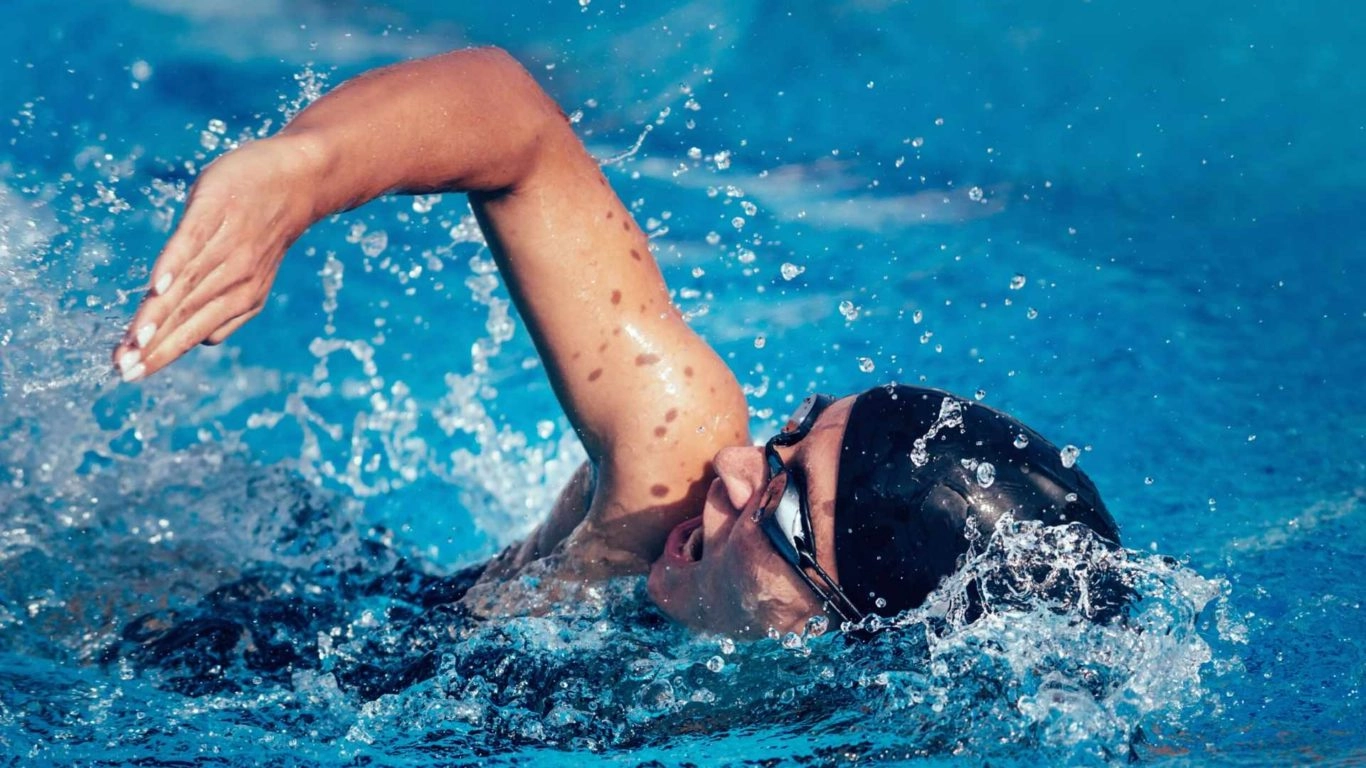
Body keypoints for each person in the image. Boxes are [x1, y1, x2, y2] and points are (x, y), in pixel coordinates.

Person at [111, 47, 1120, 640]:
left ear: (845, 629)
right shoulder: (669, 476)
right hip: (227, 637)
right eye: (788, 438)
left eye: (782, 518)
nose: (732, 471)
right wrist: (295, 175)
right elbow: (513, 123)